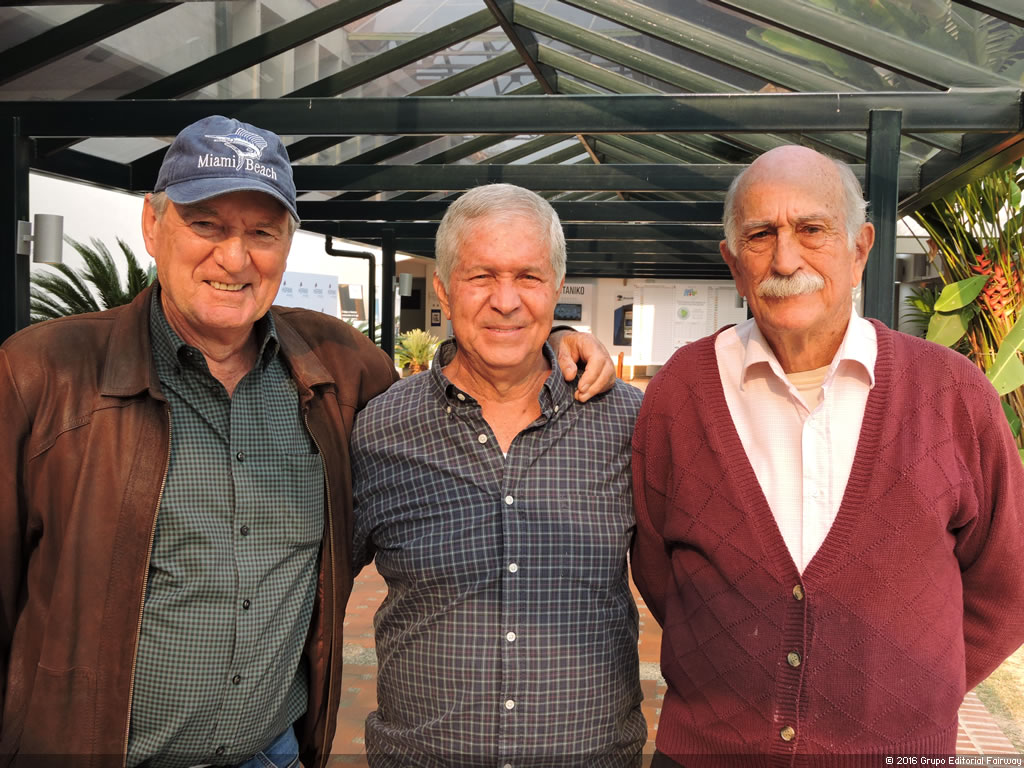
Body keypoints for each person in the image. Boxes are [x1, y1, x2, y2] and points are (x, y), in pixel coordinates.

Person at [0, 117, 613, 768]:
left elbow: (467, 379)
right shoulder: (42, 375)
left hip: (272, 754)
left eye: (262, 233)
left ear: (288, 244)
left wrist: (551, 343)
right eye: (207, 224)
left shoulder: (339, 370)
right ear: (153, 226)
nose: (234, 258)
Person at [631, 145, 1024, 765]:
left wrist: (915, 690)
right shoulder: (681, 390)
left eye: (812, 229)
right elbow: (656, 566)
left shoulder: (951, 393)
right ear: (733, 263)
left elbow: (1008, 579)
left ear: (860, 249)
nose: (786, 259)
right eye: (761, 235)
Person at [351, 183, 646, 767]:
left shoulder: (628, 423)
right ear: (443, 287)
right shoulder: (379, 428)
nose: (506, 301)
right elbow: (315, 581)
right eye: (481, 276)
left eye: (528, 277)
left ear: (557, 286)